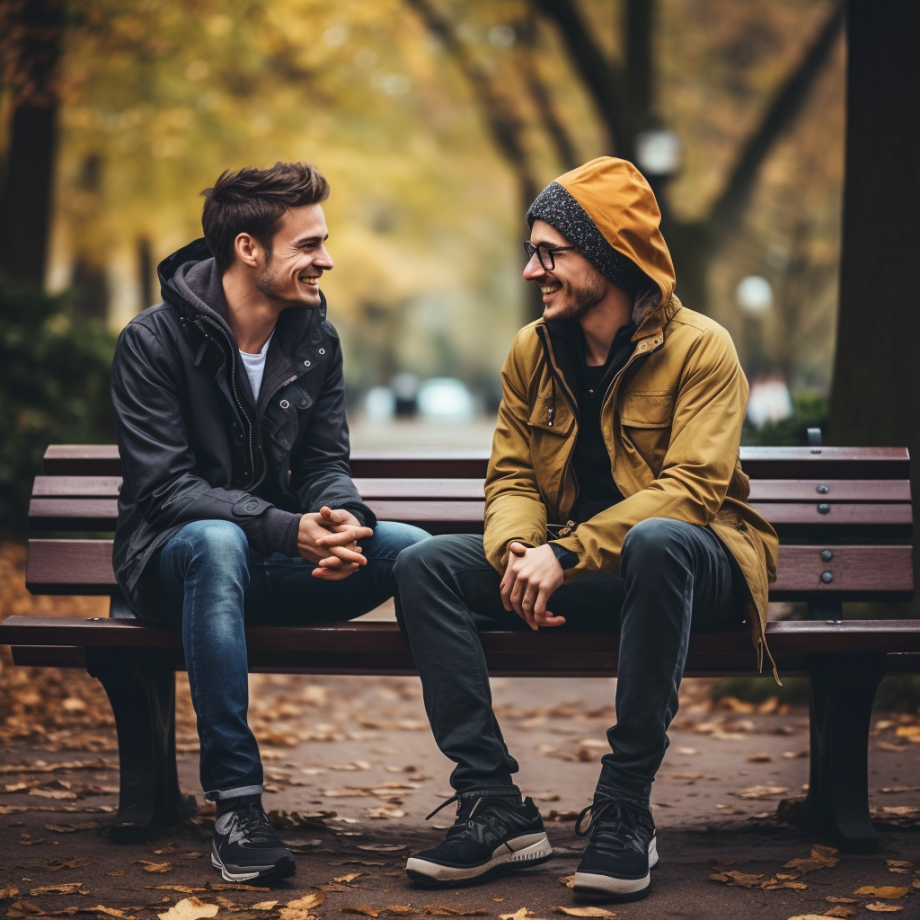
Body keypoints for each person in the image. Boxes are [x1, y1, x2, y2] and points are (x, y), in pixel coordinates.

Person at [395, 157, 778, 900]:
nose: (532, 271)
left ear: (607, 254)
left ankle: (625, 806)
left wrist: (565, 552)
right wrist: (519, 551)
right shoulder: (532, 351)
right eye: (531, 252)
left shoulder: (702, 347)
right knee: (423, 564)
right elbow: (511, 477)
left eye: (550, 254)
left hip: (697, 567)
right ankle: (494, 804)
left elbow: (692, 492)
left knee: (658, 541)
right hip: (585, 567)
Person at [110, 162, 429, 884]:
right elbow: (167, 490)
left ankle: (484, 797)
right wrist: (287, 531)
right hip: (172, 566)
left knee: (414, 550)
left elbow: (324, 462)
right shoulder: (153, 342)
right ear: (249, 249)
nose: (327, 259)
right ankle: (238, 807)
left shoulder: (315, 339)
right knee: (216, 542)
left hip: (275, 565)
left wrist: (342, 520)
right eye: (308, 244)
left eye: (325, 241)